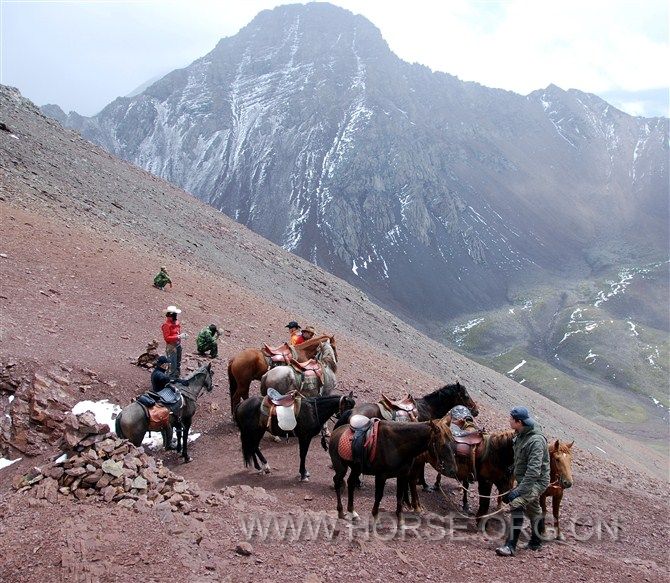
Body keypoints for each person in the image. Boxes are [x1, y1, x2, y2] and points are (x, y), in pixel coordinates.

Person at [495, 406, 550, 557]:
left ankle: (510, 546)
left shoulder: (536, 441)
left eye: (511, 419)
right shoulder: (521, 435)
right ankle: (537, 541)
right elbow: (521, 457)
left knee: (516, 503)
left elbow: (534, 471)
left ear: (519, 422)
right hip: (525, 479)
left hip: (536, 482)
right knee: (534, 509)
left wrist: (518, 491)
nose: (509, 421)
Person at [161, 306, 186, 378]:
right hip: (171, 346)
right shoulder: (166, 325)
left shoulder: (176, 323)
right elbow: (167, 338)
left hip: (178, 344)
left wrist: (180, 336)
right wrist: (178, 337)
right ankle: (170, 378)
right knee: (172, 363)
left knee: (178, 361)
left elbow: (177, 332)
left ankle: (177, 375)